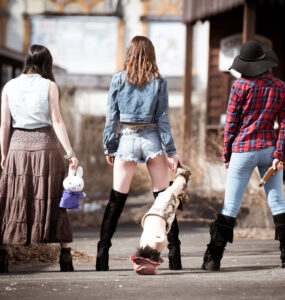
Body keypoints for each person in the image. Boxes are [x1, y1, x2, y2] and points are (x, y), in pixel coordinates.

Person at [96, 36, 183, 271]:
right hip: (153, 138)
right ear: (151, 55)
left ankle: (102, 254)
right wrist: (171, 152)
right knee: (165, 200)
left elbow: (111, 117)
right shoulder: (159, 81)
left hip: (126, 139)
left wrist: (110, 146)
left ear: (129, 54)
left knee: (116, 201)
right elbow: (163, 118)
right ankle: (175, 255)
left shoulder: (118, 79)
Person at [201, 40, 285, 271]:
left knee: (230, 206)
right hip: (269, 151)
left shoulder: (240, 86)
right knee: (278, 203)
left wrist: (226, 153)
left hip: (243, 150)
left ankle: (213, 259)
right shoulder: (280, 86)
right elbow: (284, 124)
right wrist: (280, 153)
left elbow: (231, 123)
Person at [0, 44, 78, 273]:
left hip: (17, 147)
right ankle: (65, 256)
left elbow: (4, 123)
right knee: (54, 198)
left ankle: (3, 255)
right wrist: (70, 153)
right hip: (46, 146)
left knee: (13, 198)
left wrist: (3, 152)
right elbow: (57, 121)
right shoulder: (49, 85)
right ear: (46, 63)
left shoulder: (9, 86)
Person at [131, 164, 191, 275]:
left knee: (175, 189)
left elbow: (161, 238)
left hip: (160, 213)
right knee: (172, 201)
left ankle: (183, 174)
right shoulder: (143, 245)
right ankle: (179, 197)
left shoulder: (156, 244)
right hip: (155, 216)